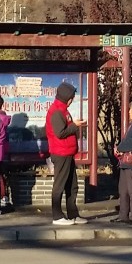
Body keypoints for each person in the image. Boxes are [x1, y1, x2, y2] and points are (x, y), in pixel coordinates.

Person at [45, 81, 87, 225]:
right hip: (61, 153)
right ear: (66, 97)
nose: (72, 100)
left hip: (67, 152)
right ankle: (57, 216)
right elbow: (60, 133)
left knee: (72, 185)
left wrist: (74, 124)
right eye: (71, 97)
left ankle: (73, 214)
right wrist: (75, 126)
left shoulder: (62, 110)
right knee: (60, 185)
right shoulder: (57, 111)